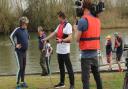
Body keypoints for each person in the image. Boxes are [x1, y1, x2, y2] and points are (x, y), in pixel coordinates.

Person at [43, 11, 74, 89]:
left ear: (61, 17)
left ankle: (72, 85)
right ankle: (62, 83)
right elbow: (54, 33)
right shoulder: (60, 25)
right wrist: (45, 39)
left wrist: (62, 40)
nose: (58, 18)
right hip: (59, 51)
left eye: (58, 17)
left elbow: (70, 37)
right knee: (61, 67)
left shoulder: (68, 25)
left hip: (65, 51)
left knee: (69, 68)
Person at [75, 0, 103, 89]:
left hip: (86, 56)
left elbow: (76, 39)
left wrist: (75, 28)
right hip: (95, 53)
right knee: (97, 77)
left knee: (85, 79)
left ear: (83, 8)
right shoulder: (97, 20)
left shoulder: (83, 20)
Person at [10, 16, 29, 89]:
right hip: (18, 52)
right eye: (25, 23)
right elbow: (11, 36)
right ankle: (17, 84)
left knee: (23, 67)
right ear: (22, 23)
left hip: (24, 52)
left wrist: (26, 44)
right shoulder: (17, 29)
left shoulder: (26, 30)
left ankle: (22, 82)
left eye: (26, 23)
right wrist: (15, 45)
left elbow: (27, 38)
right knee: (20, 67)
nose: (26, 24)